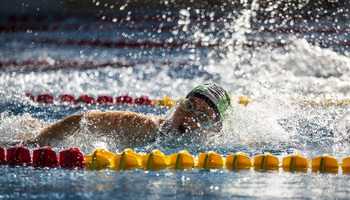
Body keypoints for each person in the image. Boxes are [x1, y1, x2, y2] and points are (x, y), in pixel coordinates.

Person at [23, 83, 231, 147]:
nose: (189, 116)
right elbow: (81, 121)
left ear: (215, 127)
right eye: (188, 105)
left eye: (203, 115)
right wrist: (35, 142)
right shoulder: (148, 128)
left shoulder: (220, 145)